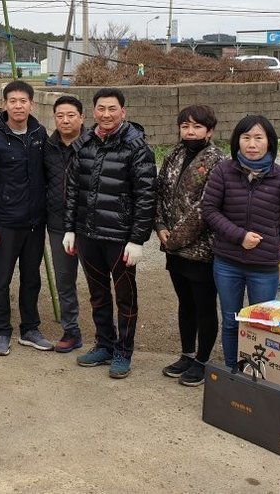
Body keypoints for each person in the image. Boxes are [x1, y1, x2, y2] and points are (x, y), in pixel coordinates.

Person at [64, 88, 157, 379]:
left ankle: (123, 351)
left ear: (123, 112)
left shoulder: (137, 147)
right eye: (101, 109)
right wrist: (70, 228)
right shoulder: (85, 144)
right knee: (98, 294)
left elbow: (146, 196)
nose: (106, 114)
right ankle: (104, 343)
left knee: (126, 297)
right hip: (89, 234)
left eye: (112, 109)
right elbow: (72, 191)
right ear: (94, 112)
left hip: (120, 237)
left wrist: (137, 239)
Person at [203, 114, 280, 369]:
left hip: (264, 267)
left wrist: (269, 238)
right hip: (227, 262)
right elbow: (210, 211)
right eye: (246, 138)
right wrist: (240, 236)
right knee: (231, 320)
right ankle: (232, 370)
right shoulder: (223, 171)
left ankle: (257, 374)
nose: (252, 144)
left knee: (262, 323)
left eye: (259, 138)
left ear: (270, 142)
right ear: (238, 142)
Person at [0, 80, 51, 356]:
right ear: (5, 104)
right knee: (1, 279)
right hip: (5, 222)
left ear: (31, 104)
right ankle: (2, 331)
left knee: (32, 278)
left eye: (23, 101)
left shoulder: (39, 133)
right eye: (13, 101)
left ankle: (30, 328)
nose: (18, 106)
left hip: (34, 222)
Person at [155, 105, 224, 386]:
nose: (190, 131)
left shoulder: (218, 160)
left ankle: (203, 359)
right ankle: (186, 353)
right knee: (185, 303)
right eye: (185, 126)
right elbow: (160, 191)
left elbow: (206, 207)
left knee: (204, 305)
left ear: (209, 131)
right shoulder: (174, 154)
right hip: (173, 247)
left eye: (196, 127)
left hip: (201, 250)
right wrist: (159, 226)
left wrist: (176, 237)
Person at [43, 95, 86, 353]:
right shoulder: (48, 147)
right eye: (60, 115)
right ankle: (71, 331)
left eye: (71, 115)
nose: (66, 120)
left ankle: (108, 336)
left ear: (81, 117)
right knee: (64, 280)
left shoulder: (94, 144)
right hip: (58, 224)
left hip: (90, 226)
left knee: (98, 282)